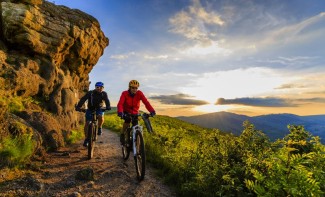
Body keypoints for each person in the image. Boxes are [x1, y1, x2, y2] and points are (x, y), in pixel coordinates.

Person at [117, 80, 156, 144]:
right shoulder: (124, 93)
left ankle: (137, 146)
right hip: (126, 111)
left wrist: (152, 111)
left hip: (135, 112)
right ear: (129, 87)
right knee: (128, 120)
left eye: (136, 88)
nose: (134, 89)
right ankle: (123, 134)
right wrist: (120, 112)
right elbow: (120, 104)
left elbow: (146, 103)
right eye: (133, 88)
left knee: (136, 126)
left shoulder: (139, 93)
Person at [75, 81, 111, 147]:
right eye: (97, 87)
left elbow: (107, 100)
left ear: (103, 88)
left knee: (100, 116)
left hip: (99, 109)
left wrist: (108, 106)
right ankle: (86, 139)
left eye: (101, 87)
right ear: (95, 87)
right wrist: (79, 106)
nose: (99, 88)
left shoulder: (104, 94)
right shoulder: (90, 93)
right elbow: (83, 99)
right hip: (90, 109)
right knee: (87, 123)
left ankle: (100, 127)